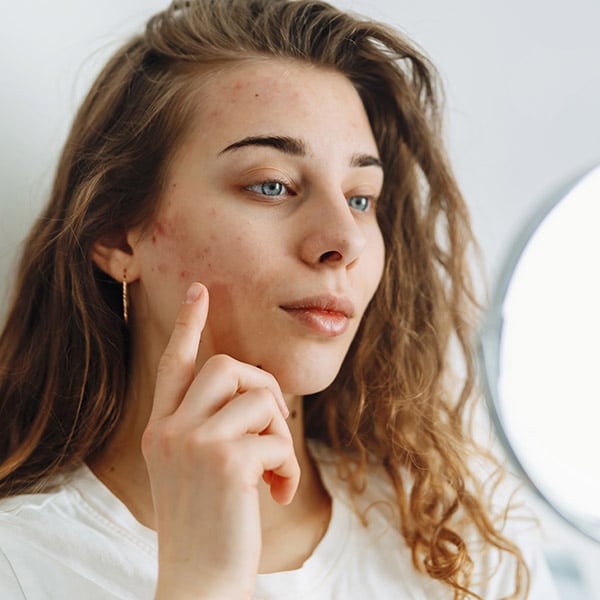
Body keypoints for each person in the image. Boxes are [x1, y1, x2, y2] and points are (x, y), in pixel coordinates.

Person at [0, 1, 559, 598]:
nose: (343, 240)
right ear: (116, 234)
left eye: (362, 198)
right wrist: (204, 579)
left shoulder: (465, 534)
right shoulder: (21, 565)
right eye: (271, 185)